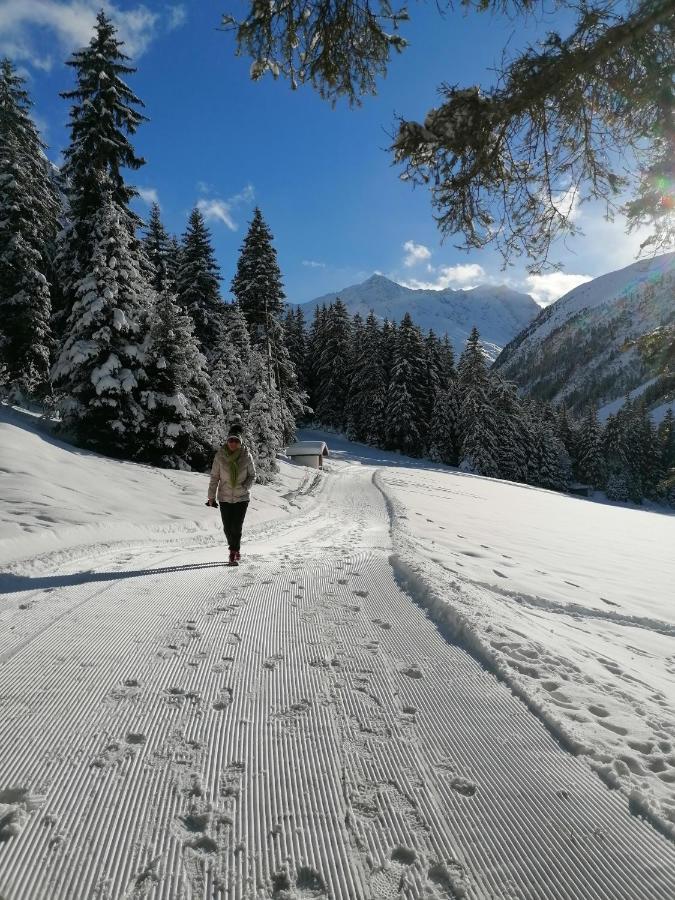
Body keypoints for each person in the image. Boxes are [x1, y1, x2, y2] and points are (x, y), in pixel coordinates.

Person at [206, 423, 256, 566]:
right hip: (225, 497)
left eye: (236, 440)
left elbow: (253, 475)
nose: (233, 443)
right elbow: (214, 477)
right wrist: (211, 496)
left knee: (236, 527)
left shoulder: (246, 456)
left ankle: (233, 552)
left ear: (240, 442)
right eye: (231, 440)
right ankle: (233, 547)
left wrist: (245, 486)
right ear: (227, 441)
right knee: (227, 528)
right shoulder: (220, 456)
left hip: (242, 497)